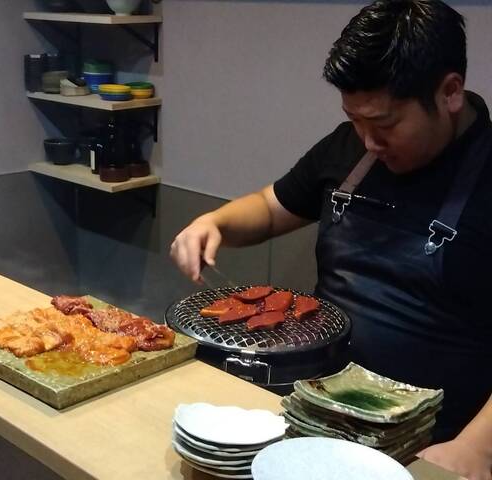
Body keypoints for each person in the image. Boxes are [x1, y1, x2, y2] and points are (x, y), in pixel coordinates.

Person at [169, 1, 492, 478]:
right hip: (316, 409)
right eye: (355, 120)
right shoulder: (349, 146)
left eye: (384, 125)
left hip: (433, 443)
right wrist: (215, 222)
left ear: (450, 92)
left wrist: (476, 448)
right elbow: (270, 206)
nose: (369, 141)